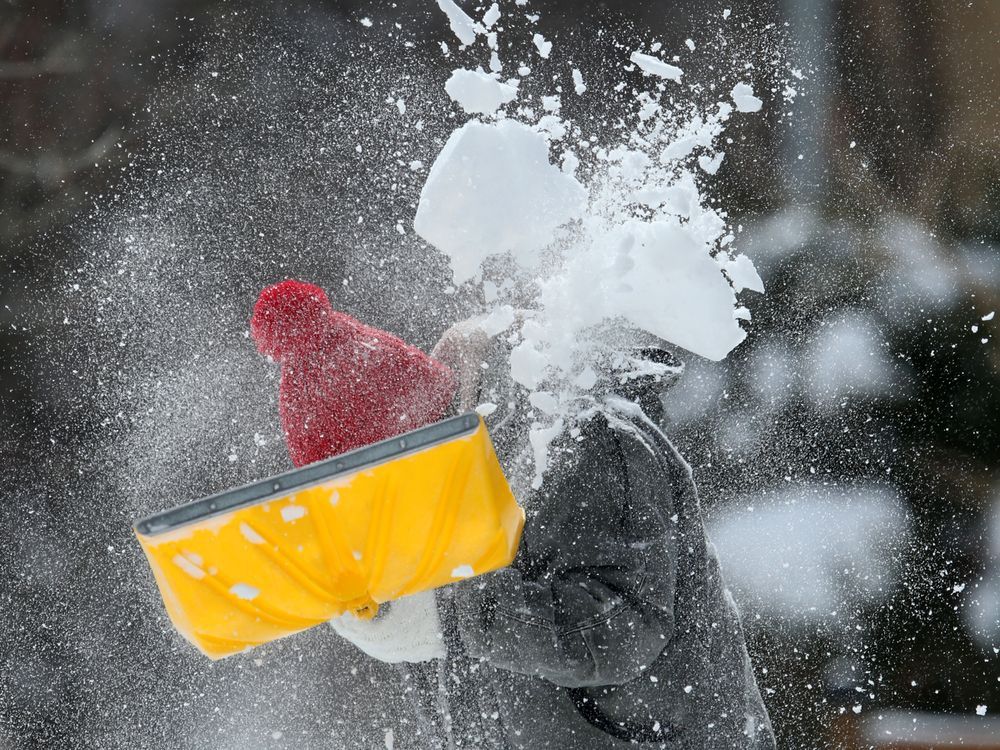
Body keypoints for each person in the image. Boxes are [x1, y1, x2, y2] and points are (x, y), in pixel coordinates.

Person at [251, 281, 775, 749]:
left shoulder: (582, 442)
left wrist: (451, 618)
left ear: (417, 439)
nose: (376, 521)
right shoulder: (439, 516)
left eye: (375, 492)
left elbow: (622, 629)